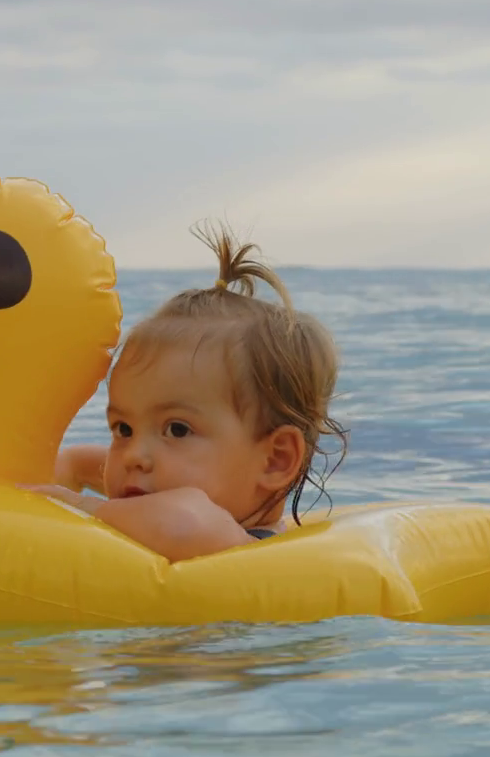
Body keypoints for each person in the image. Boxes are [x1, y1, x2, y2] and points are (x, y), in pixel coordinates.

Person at [25, 225, 346, 561]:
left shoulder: (224, 540)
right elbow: (84, 463)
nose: (134, 455)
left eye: (177, 429)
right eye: (123, 429)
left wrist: (77, 505)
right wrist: (47, 475)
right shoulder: (160, 489)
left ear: (275, 459)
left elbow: (184, 522)